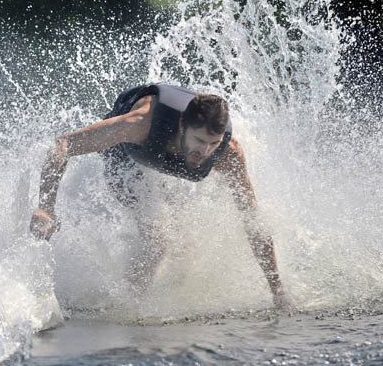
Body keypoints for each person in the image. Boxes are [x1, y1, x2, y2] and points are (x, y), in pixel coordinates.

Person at [29, 83, 292, 310]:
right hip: (126, 155)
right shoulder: (137, 125)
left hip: (163, 159)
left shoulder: (227, 153)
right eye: (199, 140)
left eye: (213, 143)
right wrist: (46, 207)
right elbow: (62, 145)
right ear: (182, 124)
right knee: (157, 242)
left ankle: (139, 303)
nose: (205, 151)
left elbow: (253, 222)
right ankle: (129, 307)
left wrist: (277, 289)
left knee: (183, 240)